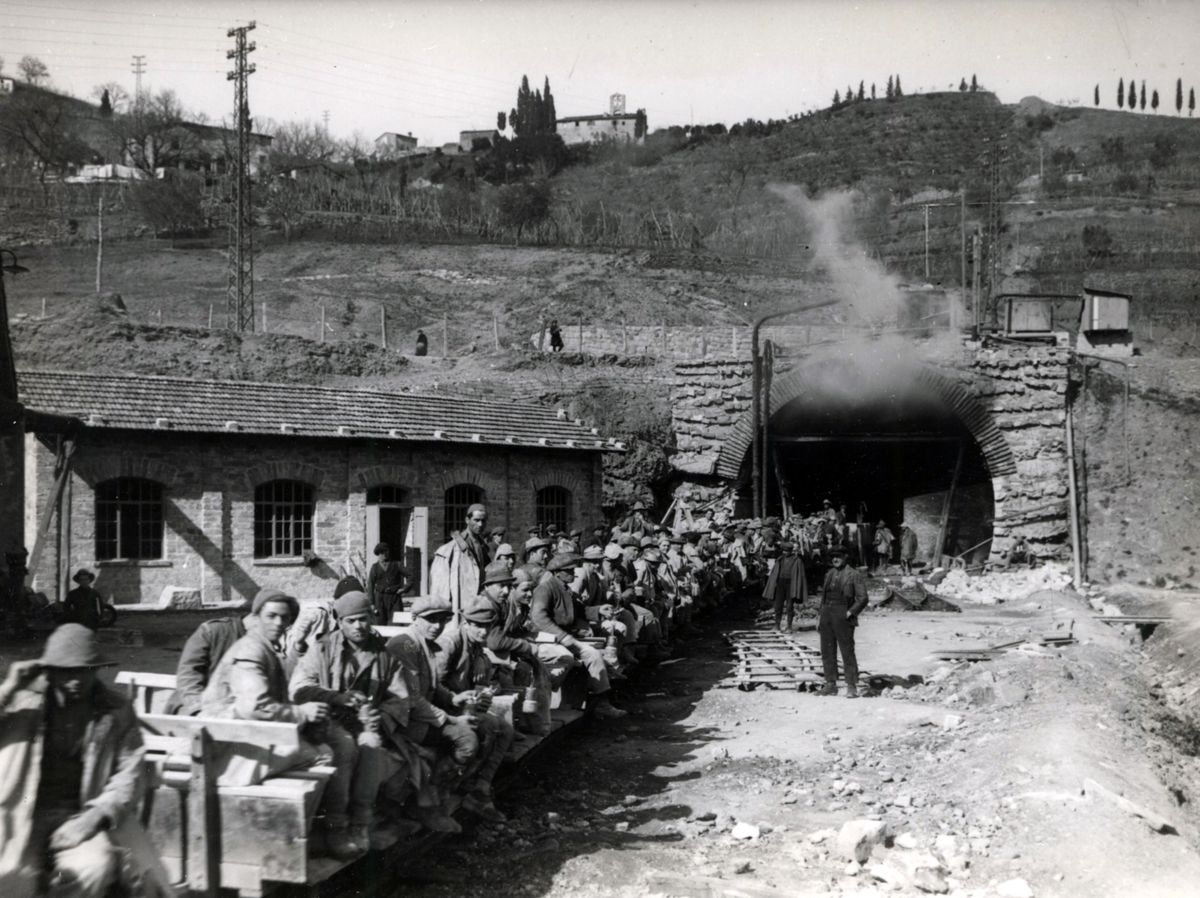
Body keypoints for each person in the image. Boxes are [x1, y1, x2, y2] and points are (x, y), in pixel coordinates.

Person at [0, 624, 168, 898]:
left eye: (84, 670)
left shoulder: (116, 710)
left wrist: (95, 816)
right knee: (12, 876)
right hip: (18, 814)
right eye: (67, 671)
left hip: (79, 813)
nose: (76, 680)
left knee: (95, 866)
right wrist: (8, 688)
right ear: (50, 670)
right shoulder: (23, 704)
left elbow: (131, 771)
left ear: (96, 669)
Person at [201, 588, 364, 859]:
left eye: (284, 618)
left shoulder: (264, 646)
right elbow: (255, 707)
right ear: (256, 617)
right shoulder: (251, 651)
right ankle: (300, 839)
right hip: (228, 750)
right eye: (271, 616)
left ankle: (312, 830)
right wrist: (302, 714)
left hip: (242, 737)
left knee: (324, 742)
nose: (278, 623)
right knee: (323, 755)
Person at [289, 590, 418, 849]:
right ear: (340, 622)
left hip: (365, 724)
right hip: (326, 722)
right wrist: (336, 698)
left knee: (370, 745)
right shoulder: (323, 648)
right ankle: (336, 825)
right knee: (344, 745)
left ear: (371, 617)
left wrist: (378, 716)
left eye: (363, 618)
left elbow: (401, 698)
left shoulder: (384, 655)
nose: (358, 626)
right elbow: (299, 688)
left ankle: (360, 822)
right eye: (351, 620)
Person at [384, 595, 488, 834]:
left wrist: (453, 698)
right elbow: (411, 698)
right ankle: (425, 804)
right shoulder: (405, 645)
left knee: (479, 729)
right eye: (431, 620)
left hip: (419, 715)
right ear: (414, 618)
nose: (437, 626)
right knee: (467, 740)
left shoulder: (424, 642)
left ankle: (439, 797)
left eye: (442, 620)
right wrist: (451, 718)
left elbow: (430, 685)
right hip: (402, 720)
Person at [433, 596, 516, 822]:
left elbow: (474, 682)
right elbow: (433, 685)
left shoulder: (478, 648)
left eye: (487, 626)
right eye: (478, 625)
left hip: (462, 706)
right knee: (488, 727)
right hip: (440, 709)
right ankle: (454, 788)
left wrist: (486, 693)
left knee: (505, 729)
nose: (483, 631)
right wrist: (456, 700)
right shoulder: (450, 643)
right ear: (466, 623)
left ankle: (480, 788)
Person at [529, 553, 625, 719]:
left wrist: (598, 610)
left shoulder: (566, 589)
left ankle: (598, 701)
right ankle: (601, 703)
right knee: (592, 654)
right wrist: (561, 636)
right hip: (548, 639)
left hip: (565, 637)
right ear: (558, 572)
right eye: (569, 570)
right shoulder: (545, 589)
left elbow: (580, 610)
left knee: (597, 652)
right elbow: (538, 617)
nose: (573, 573)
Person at [166, 608, 255, 715]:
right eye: (271, 616)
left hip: (235, 714)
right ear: (256, 614)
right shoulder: (212, 631)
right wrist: (199, 710)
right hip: (193, 710)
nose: (278, 624)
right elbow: (188, 678)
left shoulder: (271, 643)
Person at [818, 546, 869, 698]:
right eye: (833, 557)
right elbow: (824, 598)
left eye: (838, 556)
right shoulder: (830, 574)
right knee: (827, 650)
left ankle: (851, 685)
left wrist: (850, 612)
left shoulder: (854, 575)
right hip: (827, 613)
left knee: (847, 650)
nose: (835, 559)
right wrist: (820, 616)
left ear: (845, 557)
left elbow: (863, 598)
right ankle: (830, 684)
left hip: (843, 614)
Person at [429, 503, 491, 613]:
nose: (480, 524)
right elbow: (439, 588)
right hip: (458, 605)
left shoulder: (482, 547)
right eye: (476, 520)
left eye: (483, 520)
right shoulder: (451, 549)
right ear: (467, 520)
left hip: (477, 605)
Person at [763, 541, 807, 631]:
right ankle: (777, 625)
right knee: (778, 605)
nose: (785, 553)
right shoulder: (780, 559)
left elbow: (800, 576)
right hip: (780, 583)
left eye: (787, 551)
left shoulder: (797, 560)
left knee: (789, 606)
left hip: (791, 584)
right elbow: (775, 573)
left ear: (791, 551)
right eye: (783, 551)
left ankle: (789, 626)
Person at [367, 542, 409, 625]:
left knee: (397, 623)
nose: (384, 555)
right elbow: (370, 585)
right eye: (381, 553)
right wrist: (371, 603)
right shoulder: (375, 567)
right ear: (378, 554)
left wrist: (404, 589)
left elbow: (410, 576)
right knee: (379, 624)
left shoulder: (397, 564)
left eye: (386, 552)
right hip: (379, 599)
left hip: (394, 599)